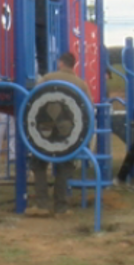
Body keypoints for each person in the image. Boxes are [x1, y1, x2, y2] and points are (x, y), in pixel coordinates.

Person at [26, 52, 90, 217]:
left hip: (45, 132)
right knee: (64, 167)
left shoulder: (48, 79)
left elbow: (34, 99)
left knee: (39, 165)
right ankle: (61, 207)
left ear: (60, 63)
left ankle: (42, 204)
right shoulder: (81, 84)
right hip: (69, 134)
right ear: (73, 65)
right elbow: (88, 110)